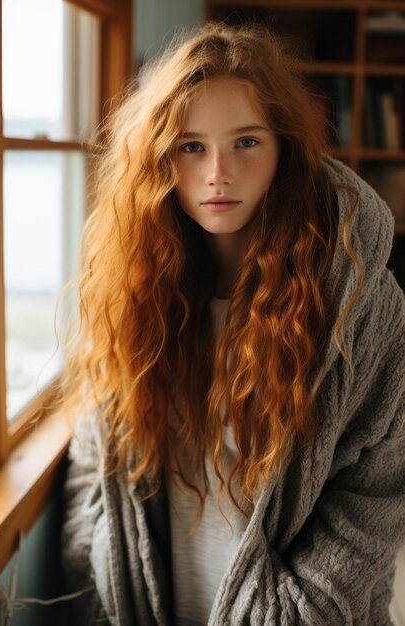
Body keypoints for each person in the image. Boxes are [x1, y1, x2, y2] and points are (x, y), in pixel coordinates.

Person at [59, 21, 405, 626]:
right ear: (160, 159)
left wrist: (290, 613)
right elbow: (97, 462)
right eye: (191, 146)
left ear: (286, 148)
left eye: (246, 141)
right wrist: (107, 575)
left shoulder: (360, 304)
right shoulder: (134, 293)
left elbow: (373, 493)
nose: (218, 171)